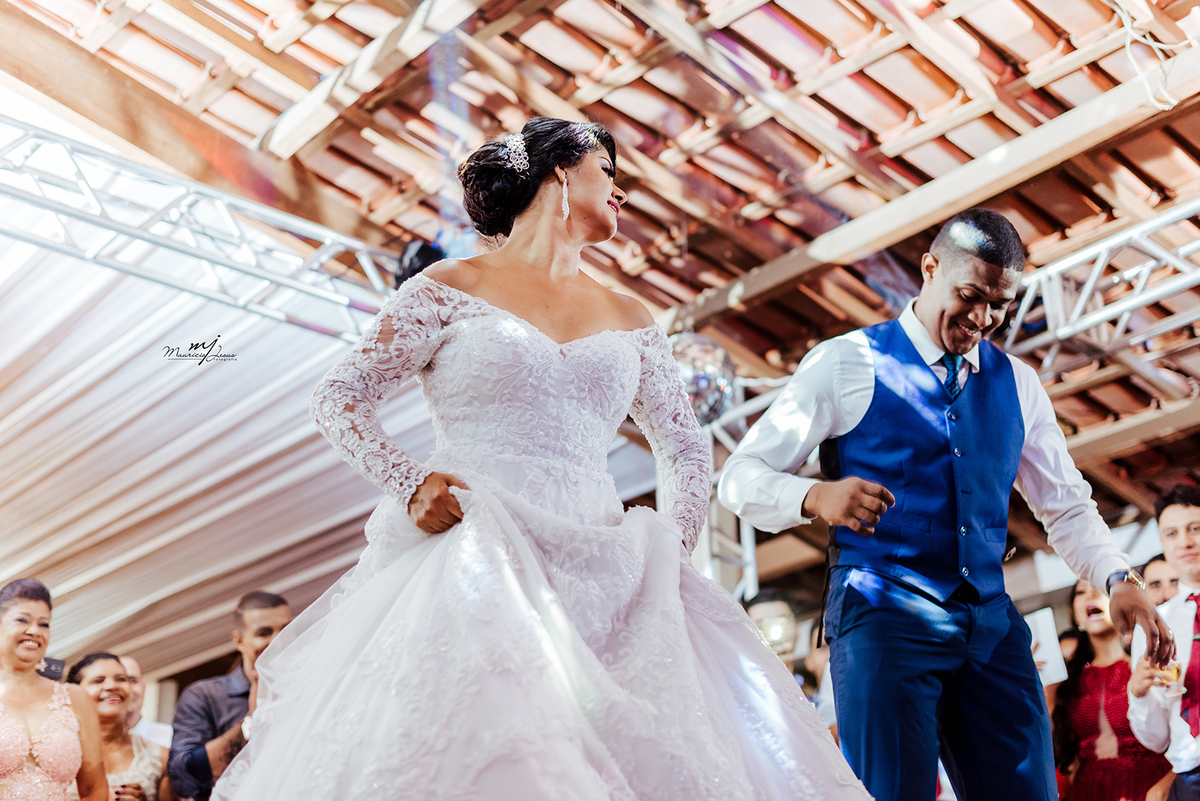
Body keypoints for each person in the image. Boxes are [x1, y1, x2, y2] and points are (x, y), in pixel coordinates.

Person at [211, 117, 870, 801]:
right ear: (561, 171)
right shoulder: (448, 285)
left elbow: (683, 445)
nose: (621, 193)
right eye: (608, 172)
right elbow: (339, 398)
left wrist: (670, 550)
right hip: (474, 546)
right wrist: (410, 483)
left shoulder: (631, 314)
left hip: (610, 565)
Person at [718, 208, 1172, 801]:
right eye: (970, 296)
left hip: (989, 621)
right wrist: (814, 495)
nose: (983, 319)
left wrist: (1117, 577)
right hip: (882, 615)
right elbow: (739, 477)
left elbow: (1064, 504)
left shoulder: (1019, 384)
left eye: (1000, 305)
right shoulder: (846, 361)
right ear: (930, 269)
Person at [1052, 579, 1172, 801]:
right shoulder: (1068, 684)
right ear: (1076, 616)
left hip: (1148, 787)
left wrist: (1165, 786)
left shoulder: (1146, 666)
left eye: (1100, 589)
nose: (1091, 595)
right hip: (1089, 792)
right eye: (1081, 592)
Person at [168, 592, 291, 801]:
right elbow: (184, 780)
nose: (279, 641)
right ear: (239, 640)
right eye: (264, 633)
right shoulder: (204, 695)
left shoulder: (311, 687)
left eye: (287, 629)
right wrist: (252, 719)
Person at [0, 578, 107, 801]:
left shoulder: (76, 698)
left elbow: (93, 787)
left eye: (44, 624)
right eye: (22, 620)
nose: (34, 631)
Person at [1129, 485, 1200, 799]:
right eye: (1171, 534)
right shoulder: (1154, 626)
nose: (1184, 542)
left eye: (1195, 528)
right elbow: (1156, 740)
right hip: (1191, 777)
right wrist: (1139, 692)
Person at [66, 653, 174, 801]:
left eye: (121, 679)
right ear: (74, 692)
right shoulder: (55, 753)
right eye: (98, 680)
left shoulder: (160, 757)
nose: (112, 686)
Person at [121, 656, 172, 749]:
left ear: (144, 687)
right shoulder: (93, 742)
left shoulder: (171, 739)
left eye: (133, 681)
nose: (127, 689)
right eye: (120, 680)